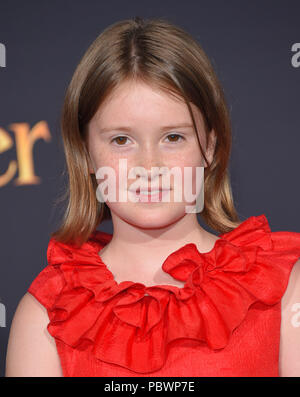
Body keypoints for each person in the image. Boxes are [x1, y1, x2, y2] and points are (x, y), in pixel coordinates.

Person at [5, 16, 300, 377]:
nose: (149, 165)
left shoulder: (285, 287)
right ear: (86, 154)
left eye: (173, 137)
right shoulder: (48, 313)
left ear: (210, 144)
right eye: (121, 140)